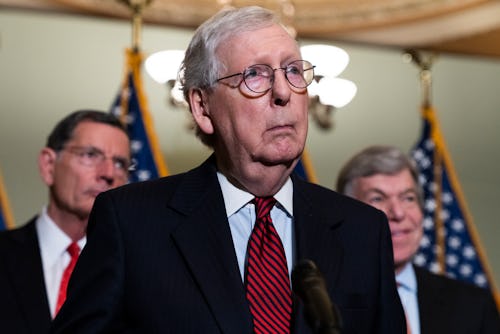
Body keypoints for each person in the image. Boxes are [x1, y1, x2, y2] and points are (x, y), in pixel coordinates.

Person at [50, 6, 405, 334]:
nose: (283, 91)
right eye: (255, 75)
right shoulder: (131, 222)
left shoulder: (363, 229)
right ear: (203, 108)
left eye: (293, 70)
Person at [336, 145, 500, 334]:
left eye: (409, 198)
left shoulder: (474, 306)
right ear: (347, 213)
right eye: (378, 199)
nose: (398, 213)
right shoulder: (321, 302)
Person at [0, 110, 132, 334]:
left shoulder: (141, 270)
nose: (108, 173)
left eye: (120, 163)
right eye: (90, 155)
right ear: (49, 166)